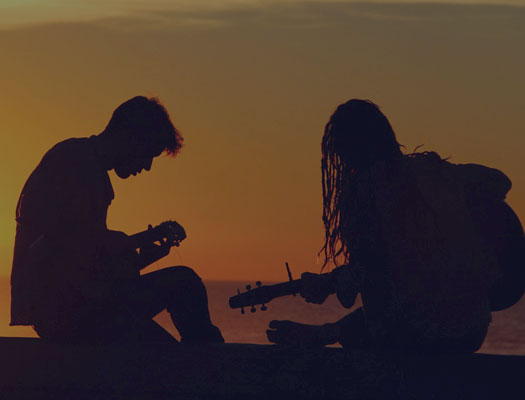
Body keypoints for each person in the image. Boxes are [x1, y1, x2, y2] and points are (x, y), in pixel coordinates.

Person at [267, 99, 524, 354]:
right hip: (472, 329)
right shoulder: (432, 172)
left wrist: (329, 285)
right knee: (410, 296)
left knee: (386, 303)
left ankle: (323, 333)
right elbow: (500, 182)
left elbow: (370, 271)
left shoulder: (366, 194)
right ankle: (326, 332)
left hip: (419, 335)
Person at [11, 96, 224, 344]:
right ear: (129, 137)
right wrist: (135, 242)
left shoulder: (86, 164)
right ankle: (216, 367)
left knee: (169, 351)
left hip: (75, 310)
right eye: (148, 153)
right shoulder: (75, 162)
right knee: (184, 282)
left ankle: (208, 364)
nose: (146, 166)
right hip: (68, 315)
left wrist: (140, 257)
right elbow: (68, 247)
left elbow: (89, 261)